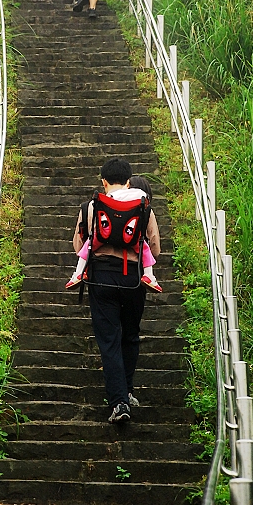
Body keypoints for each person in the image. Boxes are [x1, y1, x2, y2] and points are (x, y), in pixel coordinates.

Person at [71, 158, 161, 423]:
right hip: (134, 279)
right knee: (130, 335)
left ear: (104, 181)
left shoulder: (91, 206)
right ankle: (128, 390)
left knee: (109, 339)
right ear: (129, 180)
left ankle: (119, 402)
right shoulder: (144, 206)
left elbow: (79, 245)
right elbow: (153, 247)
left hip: (101, 279)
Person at [65, 174, 162, 292]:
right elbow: (155, 249)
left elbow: (78, 246)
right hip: (132, 258)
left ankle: (78, 273)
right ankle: (149, 276)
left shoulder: (105, 200)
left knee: (88, 245)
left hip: (102, 252)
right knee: (145, 249)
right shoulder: (144, 205)